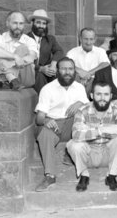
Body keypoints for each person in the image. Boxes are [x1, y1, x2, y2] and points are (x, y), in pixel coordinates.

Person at [34, 57, 89, 192]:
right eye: (63, 69)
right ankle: (50, 176)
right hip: (54, 125)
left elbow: (89, 108)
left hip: (72, 124)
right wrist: (46, 120)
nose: (67, 72)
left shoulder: (79, 87)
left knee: (83, 116)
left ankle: (70, 153)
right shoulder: (48, 89)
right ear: (57, 71)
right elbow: (39, 118)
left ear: (74, 71)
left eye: (70, 69)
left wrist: (80, 103)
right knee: (44, 134)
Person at [66, 82, 117, 192]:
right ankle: (84, 175)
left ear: (110, 96)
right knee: (73, 144)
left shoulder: (116, 109)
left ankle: (111, 176)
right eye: (98, 94)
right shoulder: (82, 110)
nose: (102, 98)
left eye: (106, 94)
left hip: (108, 154)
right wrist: (103, 129)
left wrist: (88, 130)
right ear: (92, 96)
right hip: (88, 154)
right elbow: (76, 134)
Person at [0, 11, 38, 90]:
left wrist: (6, 64)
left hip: (22, 79)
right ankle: (11, 79)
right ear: (7, 23)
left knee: (22, 48)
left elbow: (31, 57)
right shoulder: (0, 38)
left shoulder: (29, 40)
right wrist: (15, 57)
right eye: (15, 23)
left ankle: (7, 77)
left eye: (21, 23)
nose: (18, 26)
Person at [27, 9, 64, 94]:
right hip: (31, 72)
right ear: (32, 23)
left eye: (44, 24)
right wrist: (40, 69)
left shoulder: (50, 39)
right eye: (38, 22)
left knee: (56, 75)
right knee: (40, 76)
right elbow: (23, 60)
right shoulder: (25, 39)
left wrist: (53, 65)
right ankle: (43, 104)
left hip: (47, 71)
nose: (41, 26)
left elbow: (59, 51)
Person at [67, 28, 110, 94]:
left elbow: (106, 64)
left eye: (91, 39)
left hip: (95, 82)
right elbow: (66, 65)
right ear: (80, 39)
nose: (88, 42)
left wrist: (89, 74)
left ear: (95, 39)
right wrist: (80, 71)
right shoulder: (72, 52)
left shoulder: (100, 51)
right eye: (86, 39)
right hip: (77, 81)